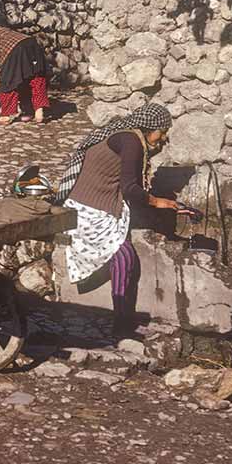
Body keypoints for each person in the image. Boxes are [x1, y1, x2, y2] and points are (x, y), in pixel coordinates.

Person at [51, 104, 191, 337]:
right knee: (125, 257)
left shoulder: (129, 139)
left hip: (101, 207)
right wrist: (158, 202)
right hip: (88, 210)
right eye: (163, 131)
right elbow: (129, 188)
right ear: (150, 127)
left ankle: (122, 320)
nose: (165, 137)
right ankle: (121, 323)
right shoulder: (131, 142)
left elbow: (129, 182)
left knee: (125, 258)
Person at [0, 14, 51, 125]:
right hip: (31, 43)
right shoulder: (2, 29)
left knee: (8, 82)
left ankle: (6, 115)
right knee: (35, 78)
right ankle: (37, 111)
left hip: (15, 51)